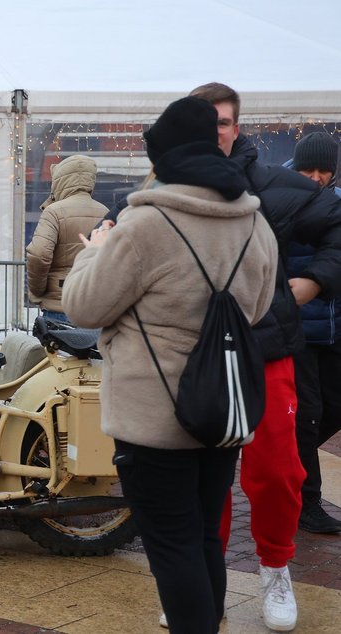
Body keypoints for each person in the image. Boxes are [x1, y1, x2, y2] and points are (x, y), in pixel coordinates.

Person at [62, 96, 279, 634]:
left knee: (172, 545)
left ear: (164, 157)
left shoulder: (142, 226)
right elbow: (256, 310)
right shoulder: (255, 224)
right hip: (221, 410)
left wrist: (94, 250)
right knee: (203, 535)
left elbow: (84, 307)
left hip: (152, 419)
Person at [189, 82, 341, 632]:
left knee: (277, 473)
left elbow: (336, 226)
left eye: (222, 122)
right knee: (202, 478)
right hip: (196, 355)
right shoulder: (164, 187)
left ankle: (276, 567)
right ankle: (200, 583)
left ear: (237, 127)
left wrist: (312, 283)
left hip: (267, 348)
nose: (214, 132)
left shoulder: (274, 184)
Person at [286, 131, 341, 534]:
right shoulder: (278, 200)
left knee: (333, 408)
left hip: (335, 327)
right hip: (298, 327)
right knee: (307, 414)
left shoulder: (338, 201)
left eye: (325, 170)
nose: (317, 177)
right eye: (310, 169)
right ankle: (307, 503)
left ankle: (288, 457)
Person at [25, 154, 107, 323]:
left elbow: (39, 254)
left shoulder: (54, 212)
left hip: (60, 304)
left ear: (60, 181)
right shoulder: (105, 212)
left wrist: (38, 291)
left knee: (58, 342)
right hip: (95, 306)